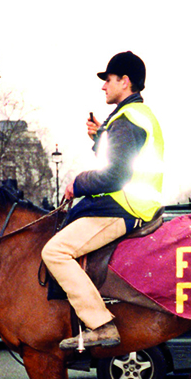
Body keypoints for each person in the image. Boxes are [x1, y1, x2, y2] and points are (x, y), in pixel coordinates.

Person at [41, 51, 164, 351]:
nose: (103, 86)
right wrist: (99, 139)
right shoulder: (134, 116)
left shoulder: (127, 119)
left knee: (55, 251)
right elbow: (121, 161)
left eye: (108, 80)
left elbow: (114, 176)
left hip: (126, 206)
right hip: (132, 203)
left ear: (125, 81)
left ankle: (100, 324)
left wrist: (77, 183)